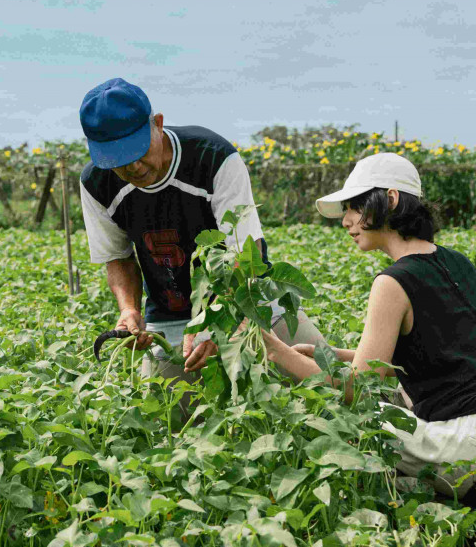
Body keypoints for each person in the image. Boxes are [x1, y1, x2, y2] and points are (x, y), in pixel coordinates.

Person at [261, 152, 476, 505]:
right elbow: (438, 351)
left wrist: (272, 348)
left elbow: (355, 388)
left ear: (389, 199)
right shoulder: (457, 261)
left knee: (350, 422)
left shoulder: (393, 281)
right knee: (393, 413)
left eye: (355, 206)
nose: (346, 221)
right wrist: (333, 355)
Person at [78, 77, 326, 391]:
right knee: (167, 424)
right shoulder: (96, 183)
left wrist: (217, 320)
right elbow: (118, 257)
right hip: (171, 323)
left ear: (157, 124)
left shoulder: (213, 157)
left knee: (331, 385)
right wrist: (129, 310)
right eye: (119, 161)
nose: (134, 167)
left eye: (138, 151)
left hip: (251, 307)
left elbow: (247, 255)